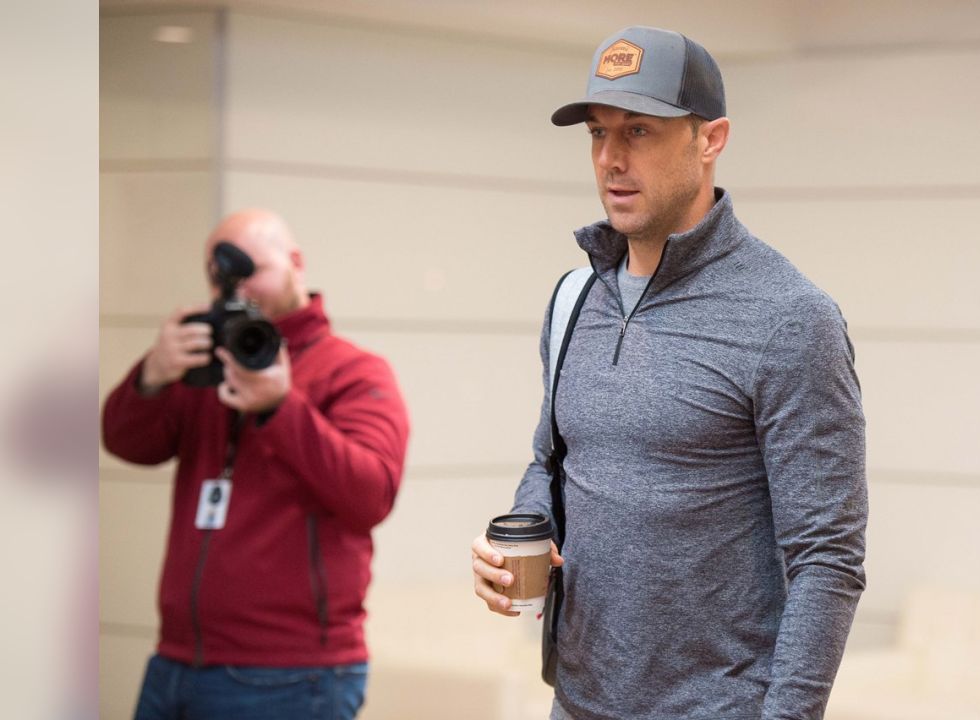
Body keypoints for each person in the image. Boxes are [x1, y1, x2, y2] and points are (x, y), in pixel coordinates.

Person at [470, 26, 867, 720]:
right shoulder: (574, 300)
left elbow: (827, 559)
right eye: (598, 133)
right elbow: (551, 460)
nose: (611, 160)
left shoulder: (789, 318)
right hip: (578, 702)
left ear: (710, 139)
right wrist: (525, 534)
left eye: (640, 132)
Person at [102, 209, 410, 720]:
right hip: (176, 660)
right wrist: (153, 375)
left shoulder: (353, 371)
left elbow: (371, 494)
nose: (237, 288)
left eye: (251, 270)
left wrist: (280, 407)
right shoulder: (206, 366)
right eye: (221, 274)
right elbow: (126, 441)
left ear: (296, 264)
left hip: (291, 673)